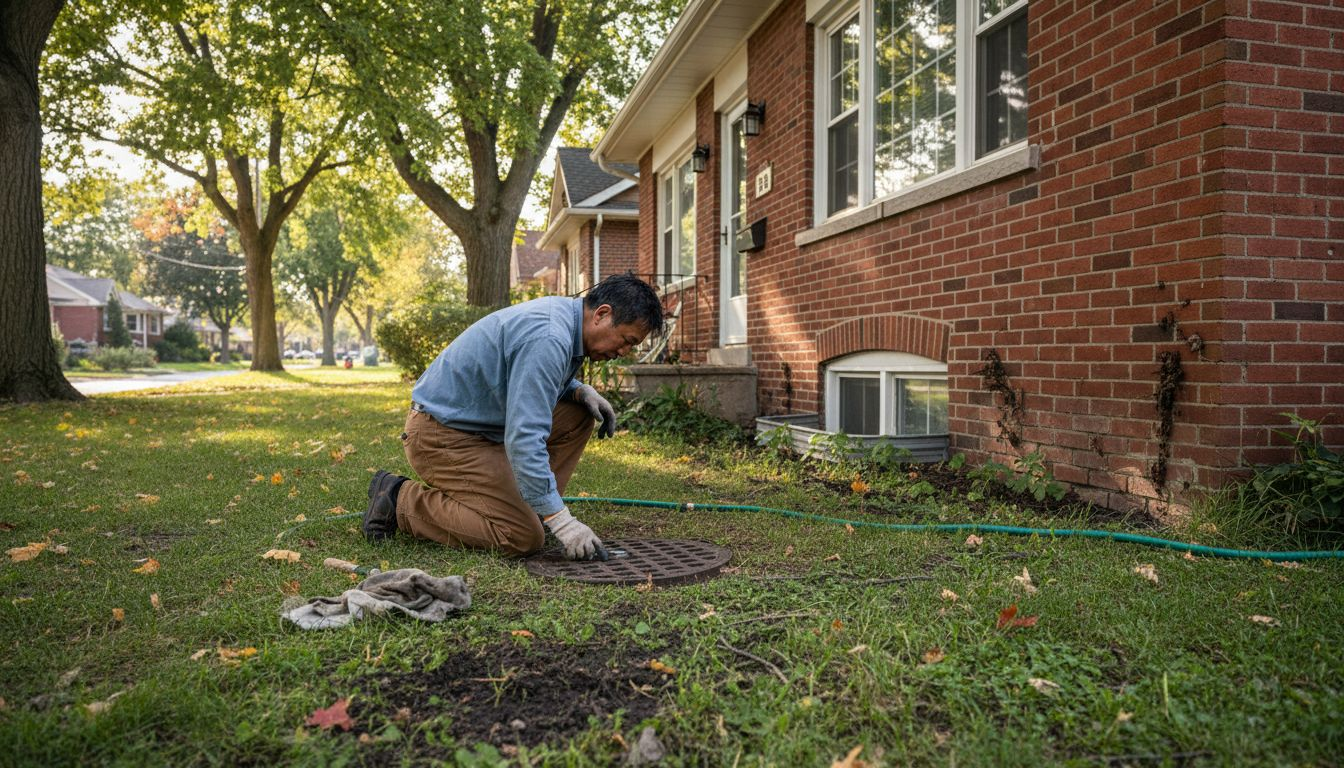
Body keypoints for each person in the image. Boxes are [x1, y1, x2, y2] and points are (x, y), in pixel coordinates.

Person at [363, 273, 664, 561]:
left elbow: (526, 374)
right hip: (442, 437)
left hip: (479, 427)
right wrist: (563, 523)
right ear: (601, 314)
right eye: (627, 340)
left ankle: (535, 506)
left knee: (577, 415)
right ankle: (399, 498)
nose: (624, 351)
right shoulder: (549, 337)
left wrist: (578, 391)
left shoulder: (562, 319)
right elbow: (524, 437)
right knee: (521, 536)